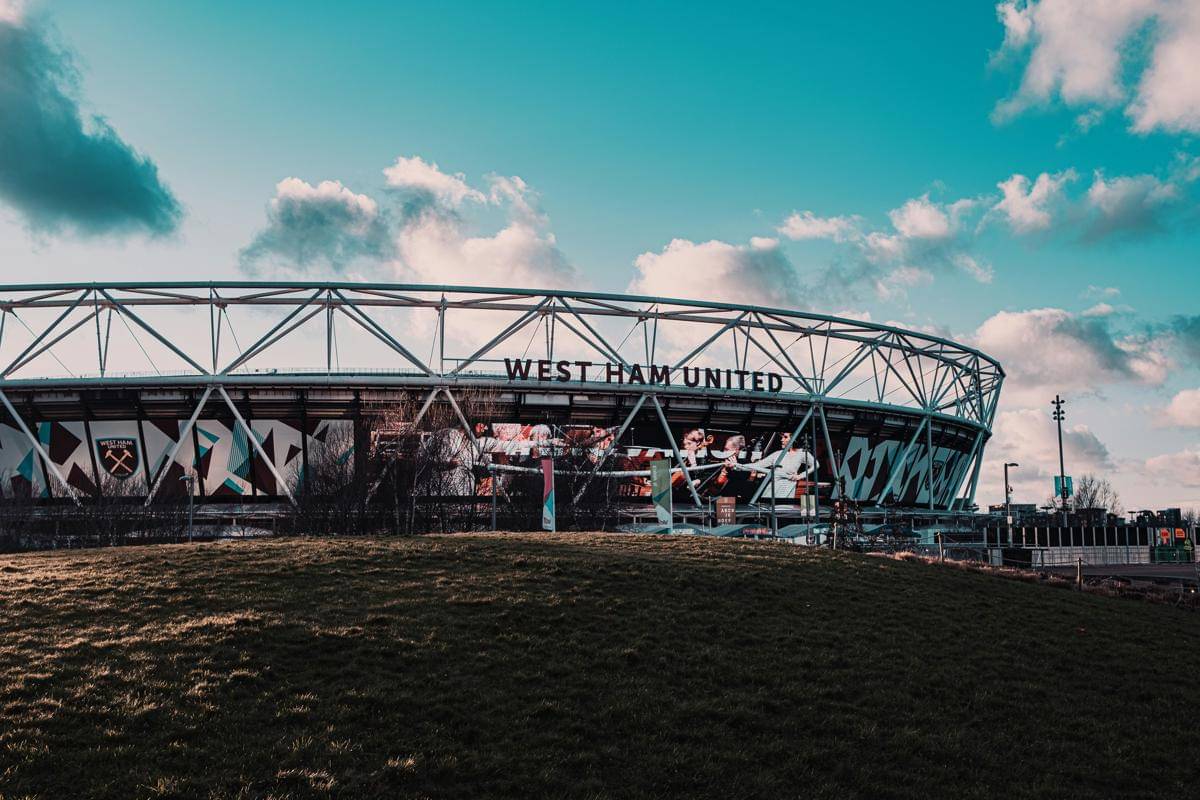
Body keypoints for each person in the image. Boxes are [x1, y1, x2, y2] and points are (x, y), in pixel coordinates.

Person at [730, 431, 817, 502]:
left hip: (787, 493)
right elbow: (756, 466)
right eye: (782, 437)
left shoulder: (801, 453)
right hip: (771, 492)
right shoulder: (777, 454)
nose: (782, 440)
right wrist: (737, 466)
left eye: (785, 437)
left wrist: (800, 476)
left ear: (795, 439)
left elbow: (816, 465)